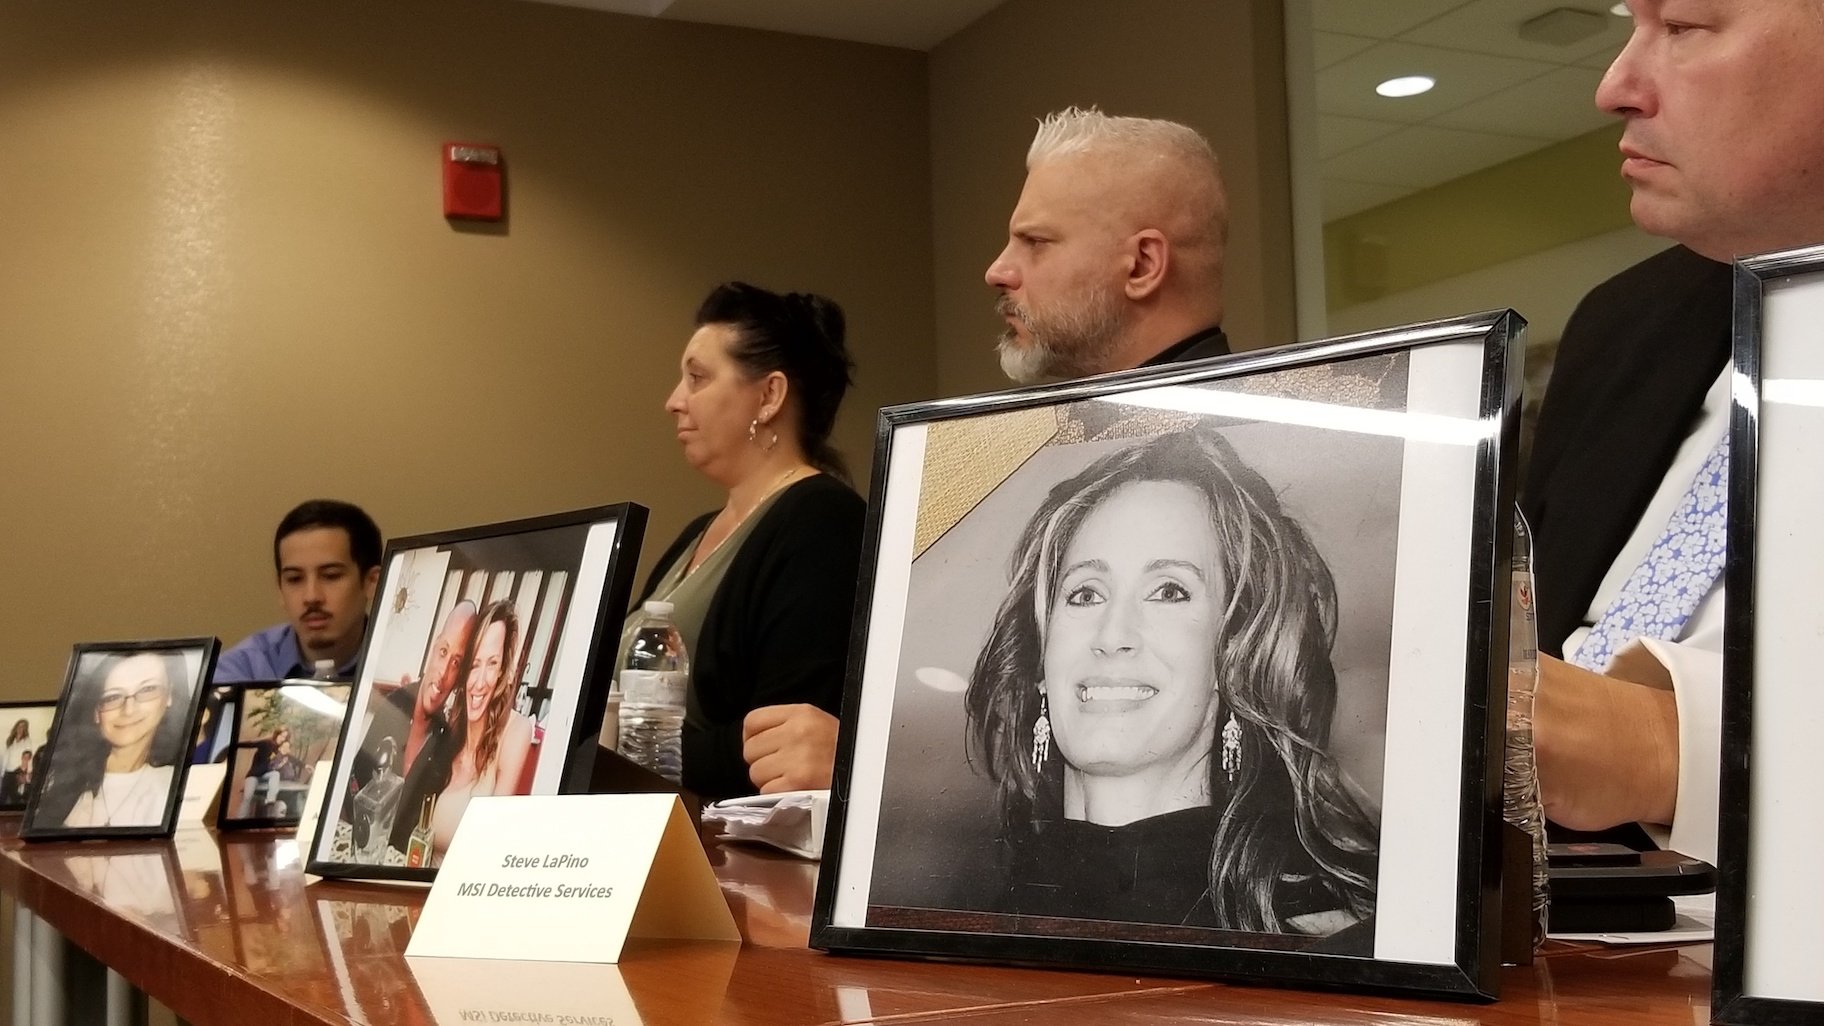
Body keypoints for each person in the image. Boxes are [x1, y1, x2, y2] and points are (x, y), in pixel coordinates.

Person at [744, 107, 1235, 794]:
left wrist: (871, 768)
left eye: (1036, 242)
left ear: (1143, 264)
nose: (997, 270)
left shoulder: (1237, 461)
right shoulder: (1035, 454)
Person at [1523, 0, 1824, 866]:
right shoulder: (1623, 326)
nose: (1613, 87)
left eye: (1684, 26)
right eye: (1632, 23)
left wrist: (1670, 751)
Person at [963, 426, 1377, 943]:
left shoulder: (1328, 947)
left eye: (1169, 591)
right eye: (1086, 594)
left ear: (1233, 657)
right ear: (1041, 663)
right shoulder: (959, 935)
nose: (1113, 636)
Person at [627, 281, 865, 801]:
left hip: (720, 851)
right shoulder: (696, 532)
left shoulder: (823, 520)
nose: (674, 401)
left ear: (769, 395)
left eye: (697, 379)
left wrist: (628, 754)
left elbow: (780, 744)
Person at [214, 500, 384, 683]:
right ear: (280, 588)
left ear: (372, 582)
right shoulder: (240, 672)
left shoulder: (409, 664)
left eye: (331, 576)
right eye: (294, 579)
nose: (311, 597)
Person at [39, 651, 194, 829]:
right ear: (96, 712)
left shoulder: (181, 784)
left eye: (147, 689)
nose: (128, 710)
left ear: (169, 695)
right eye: (112, 697)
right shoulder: (66, 784)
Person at [430, 600, 534, 856]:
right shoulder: (445, 732)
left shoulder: (515, 731)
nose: (479, 682)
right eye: (474, 664)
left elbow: (489, 845)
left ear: (501, 671)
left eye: (492, 664)